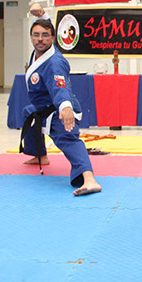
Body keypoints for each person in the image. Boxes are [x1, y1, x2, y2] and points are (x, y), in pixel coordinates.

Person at [22, 15, 102, 196]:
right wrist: (42, 16)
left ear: (52, 38)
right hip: (43, 107)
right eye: (36, 35)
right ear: (31, 37)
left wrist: (65, 108)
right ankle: (40, 155)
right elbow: (45, 26)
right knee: (28, 113)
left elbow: (60, 86)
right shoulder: (39, 53)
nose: (40, 39)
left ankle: (89, 179)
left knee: (68, 140)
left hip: (59, 109)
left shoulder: (54, 62)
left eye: (45, 35)